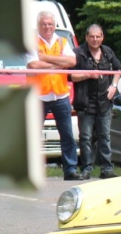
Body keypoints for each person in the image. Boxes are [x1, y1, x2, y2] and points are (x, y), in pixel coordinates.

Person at [27, 10, 81, 181]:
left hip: (61, 95)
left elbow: (72, 62)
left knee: (67, 135)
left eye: (50, 24)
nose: (47, 27)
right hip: (39, 97)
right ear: (38, 26)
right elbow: (34, 65)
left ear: (54, 25)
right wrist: (58, 63)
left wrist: (46, 58)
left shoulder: (62, 41)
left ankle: (70, 170)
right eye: (44, 24)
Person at [70, 24, 121, 180]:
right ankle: (86, 169)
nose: (95, 39)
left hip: (104, 102)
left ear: (102, 37)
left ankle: (107, 168)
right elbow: (70, 76)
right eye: (92, 36)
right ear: (86, 37)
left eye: (98, 36)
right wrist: (88, 75)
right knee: (85, 137)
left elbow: (118, 69)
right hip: (85, 102)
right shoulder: (78, 53)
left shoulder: (107, 52)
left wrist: (114, 86)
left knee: (105, 136)